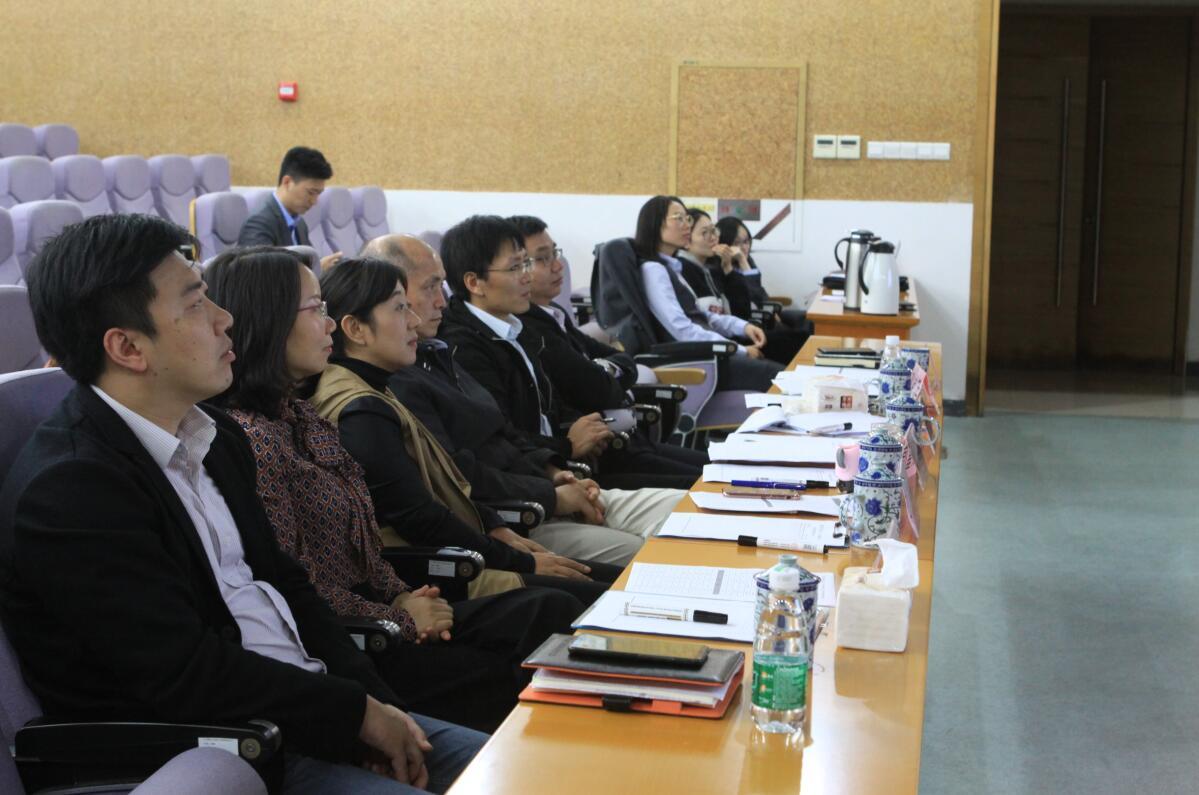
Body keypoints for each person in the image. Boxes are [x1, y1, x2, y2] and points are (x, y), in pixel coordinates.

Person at [0, 213, 484, 793]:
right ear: (128, 347)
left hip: (311, 711)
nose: (224, 318)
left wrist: (378, 707)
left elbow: (289, 584)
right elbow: (184, 672)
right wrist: (353, 717)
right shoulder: (72, 490)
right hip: (223, 755)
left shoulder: (215, 436)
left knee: (529, 770)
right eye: (196, 304)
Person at [204, 246, 584, 733]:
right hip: (353, 640)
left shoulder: (300, 415)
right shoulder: (251, 440)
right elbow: (295, 584)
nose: (328, 325)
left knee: (546, 609)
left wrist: (403, 597)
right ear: (269, 321)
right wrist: (401, 615)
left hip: (386, 609)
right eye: (315, 310)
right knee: (518, 662)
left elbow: (365, 547)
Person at [308, 256, 623, 600]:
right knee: (595, 595)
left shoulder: (374, 387)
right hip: (435, 576)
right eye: (400, 308)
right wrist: (521, 561)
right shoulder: (360, 410)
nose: (414, 320)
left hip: (472, 545)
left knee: (614, 583)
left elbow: (442, 484)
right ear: (356, 329)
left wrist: (493, 525)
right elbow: (419, 517)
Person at [363, 234, 685, 566]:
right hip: (518, 514)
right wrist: (552, 487)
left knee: (686, 510)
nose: (441, 301)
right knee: (660, 554)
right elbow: (460, 475)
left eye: (441, 286)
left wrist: (551, 470)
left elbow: (504, 432)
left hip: (546, 484)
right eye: (429, 287)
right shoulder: (415, 372)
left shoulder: (440, 352)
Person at [506, 214, 709, 483]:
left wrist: (608, 368)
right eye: (543, 258)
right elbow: (599, 389)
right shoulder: (530, 328)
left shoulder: (553, 313)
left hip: (629, 444)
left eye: (555, 253)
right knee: (714, 483)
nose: (557, 265)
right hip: (602, 463)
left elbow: (621, 358)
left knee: (720, 470)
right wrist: (609, 372)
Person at [633, 195, 782, 391]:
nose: (686, 225)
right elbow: (682, 330)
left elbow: (701, 314)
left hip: (705, 353)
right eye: (679, 218)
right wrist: (739, 349)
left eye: (687, 218)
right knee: (778, 376)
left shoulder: (672, 267)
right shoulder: (654, 270)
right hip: (694, 362)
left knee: (780, 370)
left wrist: (743, 327)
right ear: (655, 224)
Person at [680, 208, 806, 365]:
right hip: (718, 348)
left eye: (713, 231)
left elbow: (744, 308)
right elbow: (706, 323)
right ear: (686, 240)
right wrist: (741, 348)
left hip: (735, 334)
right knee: (793, 346)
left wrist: (729, 269)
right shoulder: (686, 270)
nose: (713, 238)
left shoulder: (710, 268)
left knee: (801, 335)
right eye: (705, 233)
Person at [238, 146, 342, 270]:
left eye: (318, 194)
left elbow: (308, 263)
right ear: (287, 182)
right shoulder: (258, 224)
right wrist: (317, 270)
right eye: (310, 192)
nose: (314, 201)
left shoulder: (300, 224)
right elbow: (261, 276)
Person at [715, 215, 810, 332]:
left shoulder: (747, 260)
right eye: (736, 243)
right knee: (797, 334)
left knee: (807, 321)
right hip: (749, 320)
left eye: (746, 241)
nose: (743, 248)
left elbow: (759, 292)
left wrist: (771, 311)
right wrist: (742, 260)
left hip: (762, 312)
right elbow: (743, 302)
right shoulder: (722, 267)